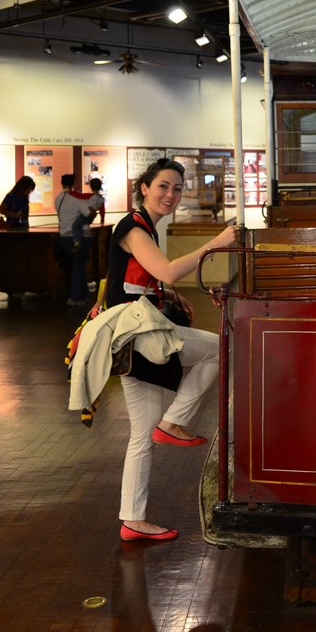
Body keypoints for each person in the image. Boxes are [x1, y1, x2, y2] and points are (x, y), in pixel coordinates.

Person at [108, 157, 236, 543]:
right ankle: (174, 421)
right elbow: (164, 270)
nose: (170, 194)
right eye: (163, 186)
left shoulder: (145, 226)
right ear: (144, 188)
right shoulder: (133, 226)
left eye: (177, 188)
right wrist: (215, 244)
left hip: (132, 337)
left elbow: (138, 278)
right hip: (139, 335)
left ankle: (133, 520)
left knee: (141, 435)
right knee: (220, 348)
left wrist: (170, 294)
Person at [54, 173, 95, 305]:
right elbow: (88, 213)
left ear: (62, 183)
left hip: (64, 236)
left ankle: (84, 295)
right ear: (73, 183)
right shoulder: (77, 197)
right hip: (81, 236)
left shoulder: (58, 198)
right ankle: (74, 297)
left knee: (77, 266)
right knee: (79, 267)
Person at [70, 177, 105, 249]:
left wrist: (70, 192)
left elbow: (79, 196)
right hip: (91, 217)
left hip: (85, 215)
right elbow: (102, 210)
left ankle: (77, 243)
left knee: (75, 226)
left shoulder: (89, 196)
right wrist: (102, 220)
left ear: (91, 187)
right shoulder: (101, 198)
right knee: (84, 227)